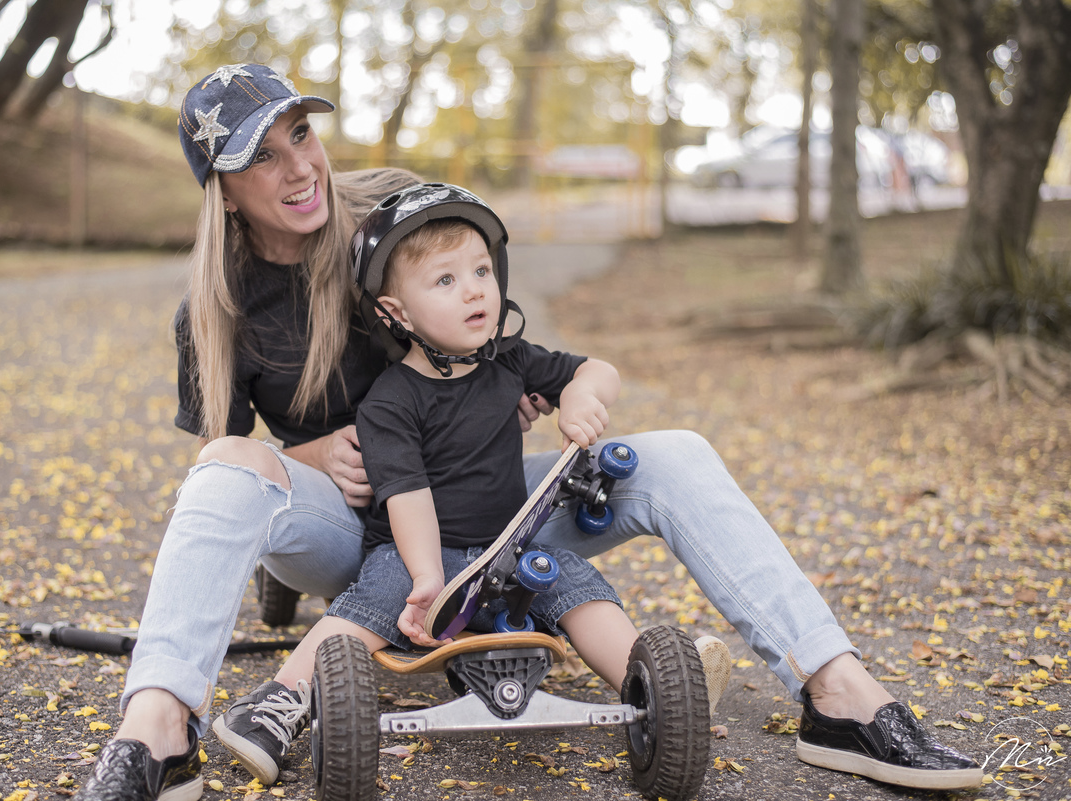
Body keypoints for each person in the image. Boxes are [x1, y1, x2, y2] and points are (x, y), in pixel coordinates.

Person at [74, 64, 983, 801]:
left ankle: (838, 694)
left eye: (299, 135)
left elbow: (486, 310)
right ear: (223, 190)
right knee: (226, 475)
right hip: (350, 527)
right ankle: (159, 730)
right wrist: (305, 453)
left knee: (677, 455)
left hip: (491, 500)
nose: (297, 167)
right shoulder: (216, 307)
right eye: (261, 157)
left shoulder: (391, 209)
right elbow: (223, 459)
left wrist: (520, 395)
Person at [209, 184, 734, 784]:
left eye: (481, 269)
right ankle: (280, 704)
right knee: (371, 602)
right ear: (396, 313)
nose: (475, 288)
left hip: (509, 548)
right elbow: (407, 496)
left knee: (580, 585)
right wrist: (430, 576)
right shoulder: (389, 403)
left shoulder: (509, 360)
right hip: (416, 554)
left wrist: (581, 396)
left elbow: (598, 370)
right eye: (445, 280)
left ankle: (658, 692)